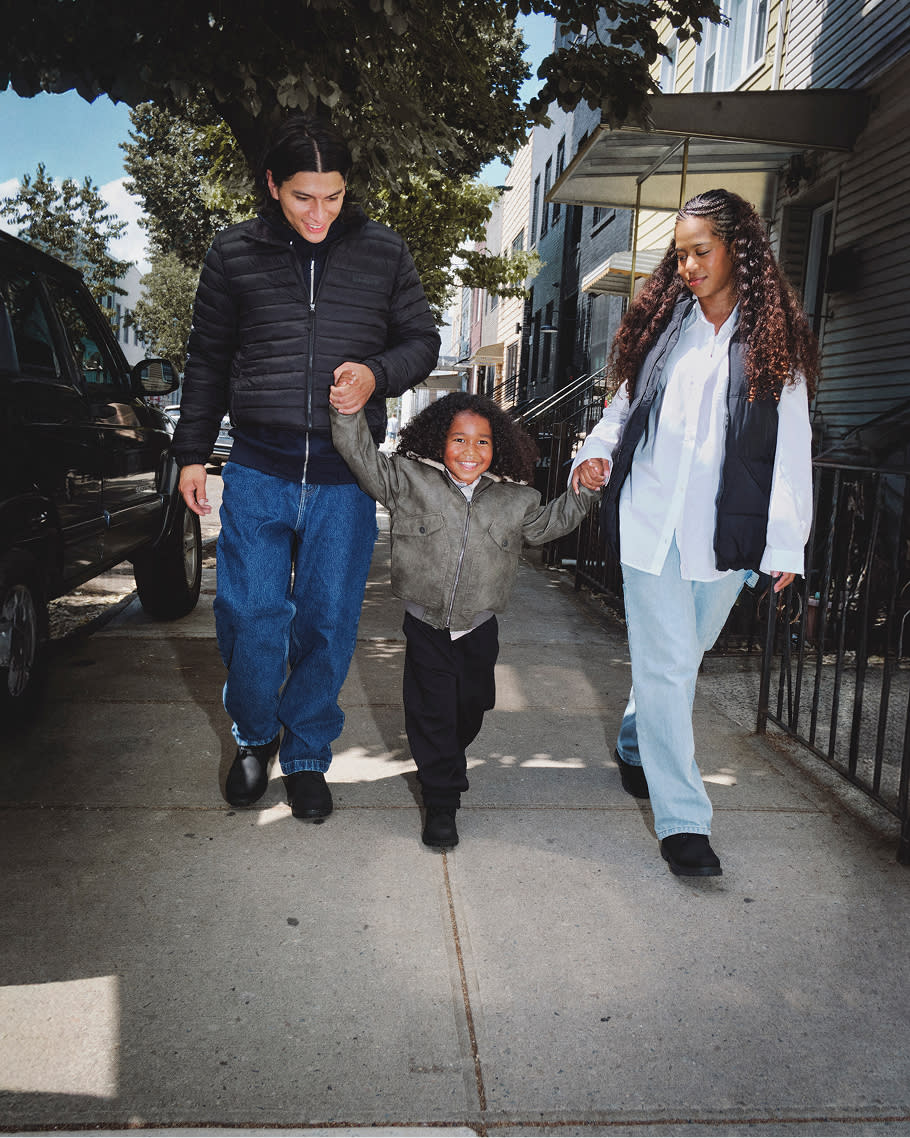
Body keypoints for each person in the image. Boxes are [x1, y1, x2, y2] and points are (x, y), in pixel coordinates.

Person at [172, 116, 440, 821]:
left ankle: (308, 752)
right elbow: (205, 360)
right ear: (272, 187)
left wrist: (377, 374)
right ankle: (255, 736)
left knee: (326, 622)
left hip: (344, 476)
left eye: (333, 197)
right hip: (258, 468)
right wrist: (191, 453)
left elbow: (421, 341)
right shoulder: (234, 254)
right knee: (250, 614)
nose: (319, 214)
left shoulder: (383, 252)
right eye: (302, 198)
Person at [570, 188, 818, 877]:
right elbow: (625, 407)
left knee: (675, 665)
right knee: (668, 664)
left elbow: (791, 452)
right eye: (679, 253)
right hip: (650, 520)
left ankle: (632, 740)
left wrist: (785, 543)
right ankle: (683, 822)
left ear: (738, 250)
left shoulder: (774, 342)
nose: (687, 266)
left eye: (700, 251)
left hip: (725, 537)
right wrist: (591, 452)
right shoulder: (664, 328)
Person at [330, 392, 602, 848]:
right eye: (459, 439)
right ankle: (442, 800)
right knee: (431, 710)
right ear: (440, 440)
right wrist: (348, 410)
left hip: (478, 626)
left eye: (482, 442)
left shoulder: (516, 500)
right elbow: (359, 455)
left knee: (470, 709)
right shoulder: (407, 480)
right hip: (426, 624)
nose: (470, 452)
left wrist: (587, 490)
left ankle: (445, 760)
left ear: (497, 448)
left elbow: (550, 525)